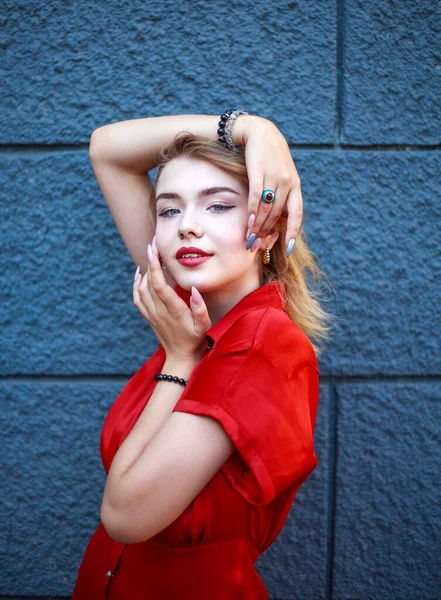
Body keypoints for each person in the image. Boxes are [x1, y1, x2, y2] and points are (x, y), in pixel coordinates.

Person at [72, 111, 332, 599]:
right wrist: (253, 129)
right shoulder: (190, 303)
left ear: (268, 230)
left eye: (217, 207)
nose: (187, 227)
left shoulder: (261, 345)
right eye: (169, 210)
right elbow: (107, 149)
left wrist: (179, 360)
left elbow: (125, 518)